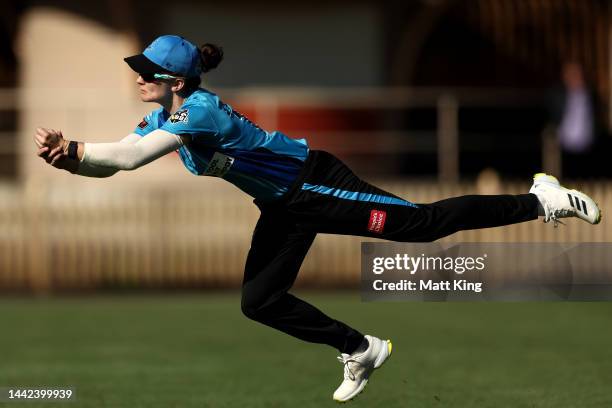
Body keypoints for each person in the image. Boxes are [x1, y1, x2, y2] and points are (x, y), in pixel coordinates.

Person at [34, 35, 602, 403]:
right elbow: (115, 161)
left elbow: (126, 158)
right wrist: (72, 161)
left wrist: (77, 149)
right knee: (258, 301)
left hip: (313, 183)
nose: (139, 77)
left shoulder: (196, 112)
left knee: (422, 225)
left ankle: (541, 199)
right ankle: (360, 348)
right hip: (283, 205)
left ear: (176, 81)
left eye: (149, 72)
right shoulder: (168, 115)